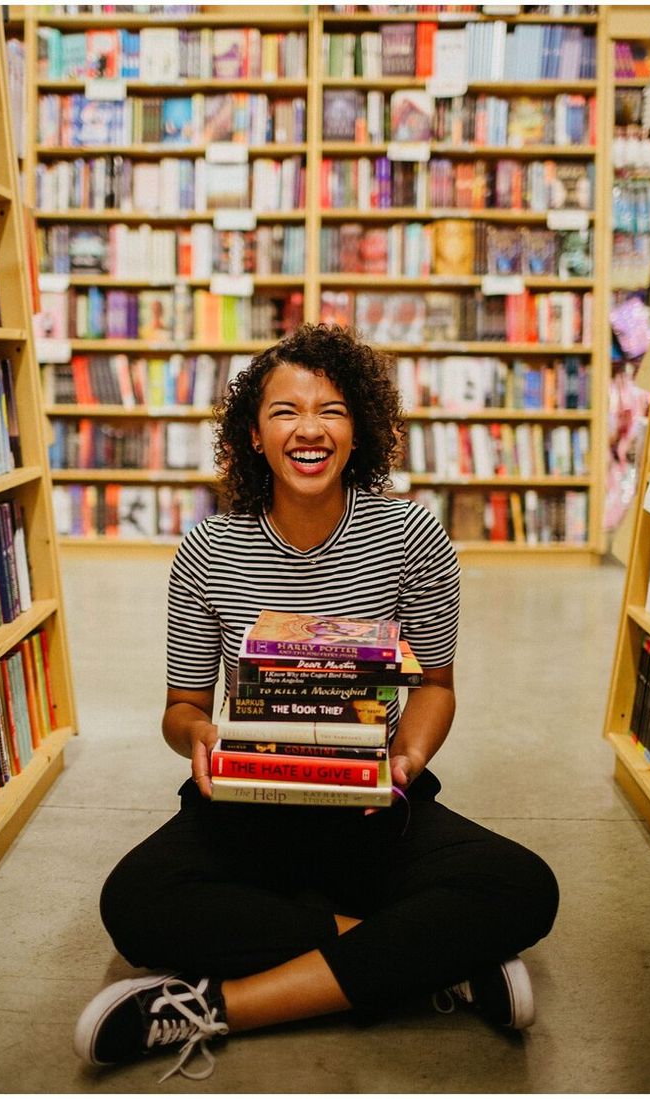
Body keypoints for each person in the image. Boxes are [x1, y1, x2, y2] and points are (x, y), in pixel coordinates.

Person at [73, 324, 559, 1082]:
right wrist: (199, 735)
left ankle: (220, 1005)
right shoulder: (208, 547)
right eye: (284, 411)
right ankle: (426, 958)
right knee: (133, 902)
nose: (308, 428)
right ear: (254, 435)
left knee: (525, 887)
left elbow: (435, 685)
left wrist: (410, 757)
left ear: (358, 428)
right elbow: (180, 707)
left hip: (373, 801)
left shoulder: (412, 534)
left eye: (331, 409)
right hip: (244, 802)